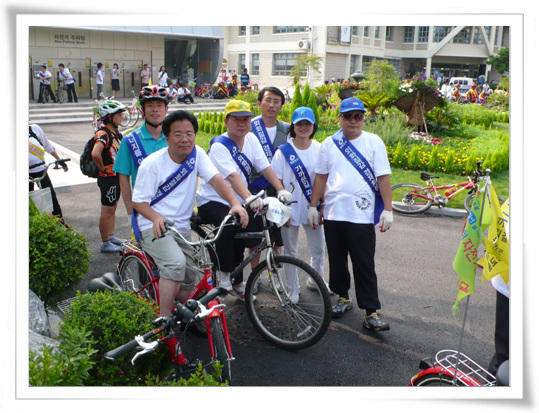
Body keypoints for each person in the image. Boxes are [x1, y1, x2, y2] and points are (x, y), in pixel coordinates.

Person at [132, 110, 249, 317]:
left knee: (189, 277)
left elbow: (216, 180)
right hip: (153, 225)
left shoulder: (197, 154)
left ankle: (184, 312)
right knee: (175, 264)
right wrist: (156, 217)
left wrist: (235, 204)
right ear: (166, 138)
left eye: (189, 133)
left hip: (181, 227)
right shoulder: (152, 164)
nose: (184, 139)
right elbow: (139, 202)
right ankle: (164, 320)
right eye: (177, 134)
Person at [308, 97, 393, 332]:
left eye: (358, 116)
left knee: (364, 263)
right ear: (340, 119)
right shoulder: (329, 143)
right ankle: (343, 298)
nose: (353, 121)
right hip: (334, 212)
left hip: (361, 215)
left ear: (363, 118)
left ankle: (371, 312)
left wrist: (388, 209)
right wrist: (313, 205)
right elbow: (321, 176)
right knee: (337, 259)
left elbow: (383, 177)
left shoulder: (373, 142)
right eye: (348, 116)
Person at [195, 100, 292, 300]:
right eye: (236, 120)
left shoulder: (252, 140)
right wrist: (248, 198)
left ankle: (238, 282)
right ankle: (223, 275)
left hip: (240, 199)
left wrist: (281, 190)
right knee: (229, 223)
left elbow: (265, 167)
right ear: (226, 121)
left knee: (253, 228)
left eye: (246, 119)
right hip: (214, 199)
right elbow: (232, 176)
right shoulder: (219, 146)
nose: (242, 124)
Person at [270, 107, 331, 304]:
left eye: (307, 123)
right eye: (299, 124)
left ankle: (316, 279)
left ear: (313, 126)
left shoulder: (320, 149)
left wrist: (322, 206)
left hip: (313, 206)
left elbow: (324, 180)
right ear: (293, 126)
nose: (303, 127)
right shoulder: (283, 152)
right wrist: (282, 210)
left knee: (318, 249)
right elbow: (277, 181)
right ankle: (292, 289)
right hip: (290, 207)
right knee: (291, 251)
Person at [113, 86, 170, 225]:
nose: (155, 109)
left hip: (174, 208)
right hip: (144, 211)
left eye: (159, 105)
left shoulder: (175, 138)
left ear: (166, 109)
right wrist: (129, 211)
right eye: (150, 105)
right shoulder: (130, 141)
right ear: (142, 110)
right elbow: (123, 179)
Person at [249, 86, 291, 255]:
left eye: (276, 101)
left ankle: (274, 275)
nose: (272, 105)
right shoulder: (249, 127)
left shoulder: (288, 129)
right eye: (268, 100)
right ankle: (255, 277)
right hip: (254, 188)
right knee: (256, 237)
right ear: (259, 103)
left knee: (276, 236)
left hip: (277, 189)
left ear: (281, 106)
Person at [91, 100, 127, 253]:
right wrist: (103, 169)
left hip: (116, 177)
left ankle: (111, 236)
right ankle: (105, 243)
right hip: (108, 178)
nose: (122, 117)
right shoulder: (103, 133)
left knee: (112, 209)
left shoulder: (115, 133)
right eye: (119, 115)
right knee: (106, 211)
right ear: (109, 117)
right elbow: (95, 153)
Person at [29, 124, 68, 218]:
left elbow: (48, 146)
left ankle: (61, 225)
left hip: (41, 170)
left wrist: (60, 160)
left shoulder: (34, 129)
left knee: (51, 200)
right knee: (28, 203)